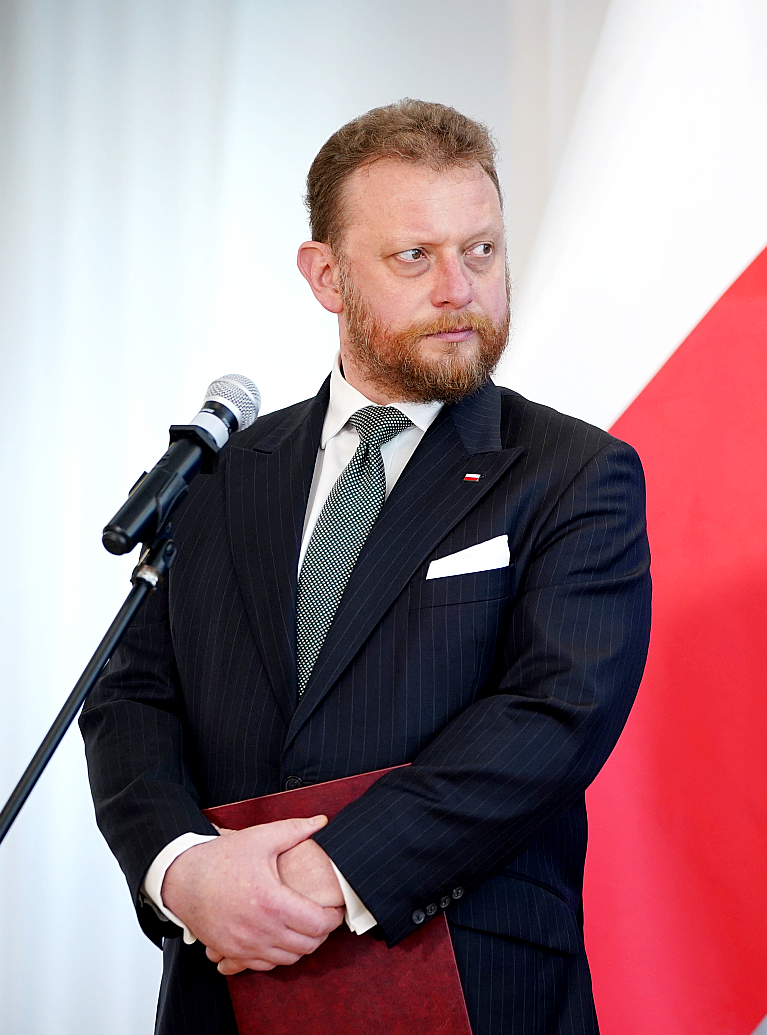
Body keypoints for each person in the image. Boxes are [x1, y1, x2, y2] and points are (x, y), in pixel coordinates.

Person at [80, 99, 651, 1035]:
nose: (459, 289)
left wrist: (317, 876)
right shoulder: (218, 474)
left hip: (469, 985)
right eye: (414, 257)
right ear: (326, 276)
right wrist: (184, 870)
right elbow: (128, 698)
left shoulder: (575, 473)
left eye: (481, 250)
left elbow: (553, 716)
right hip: (229, 986)